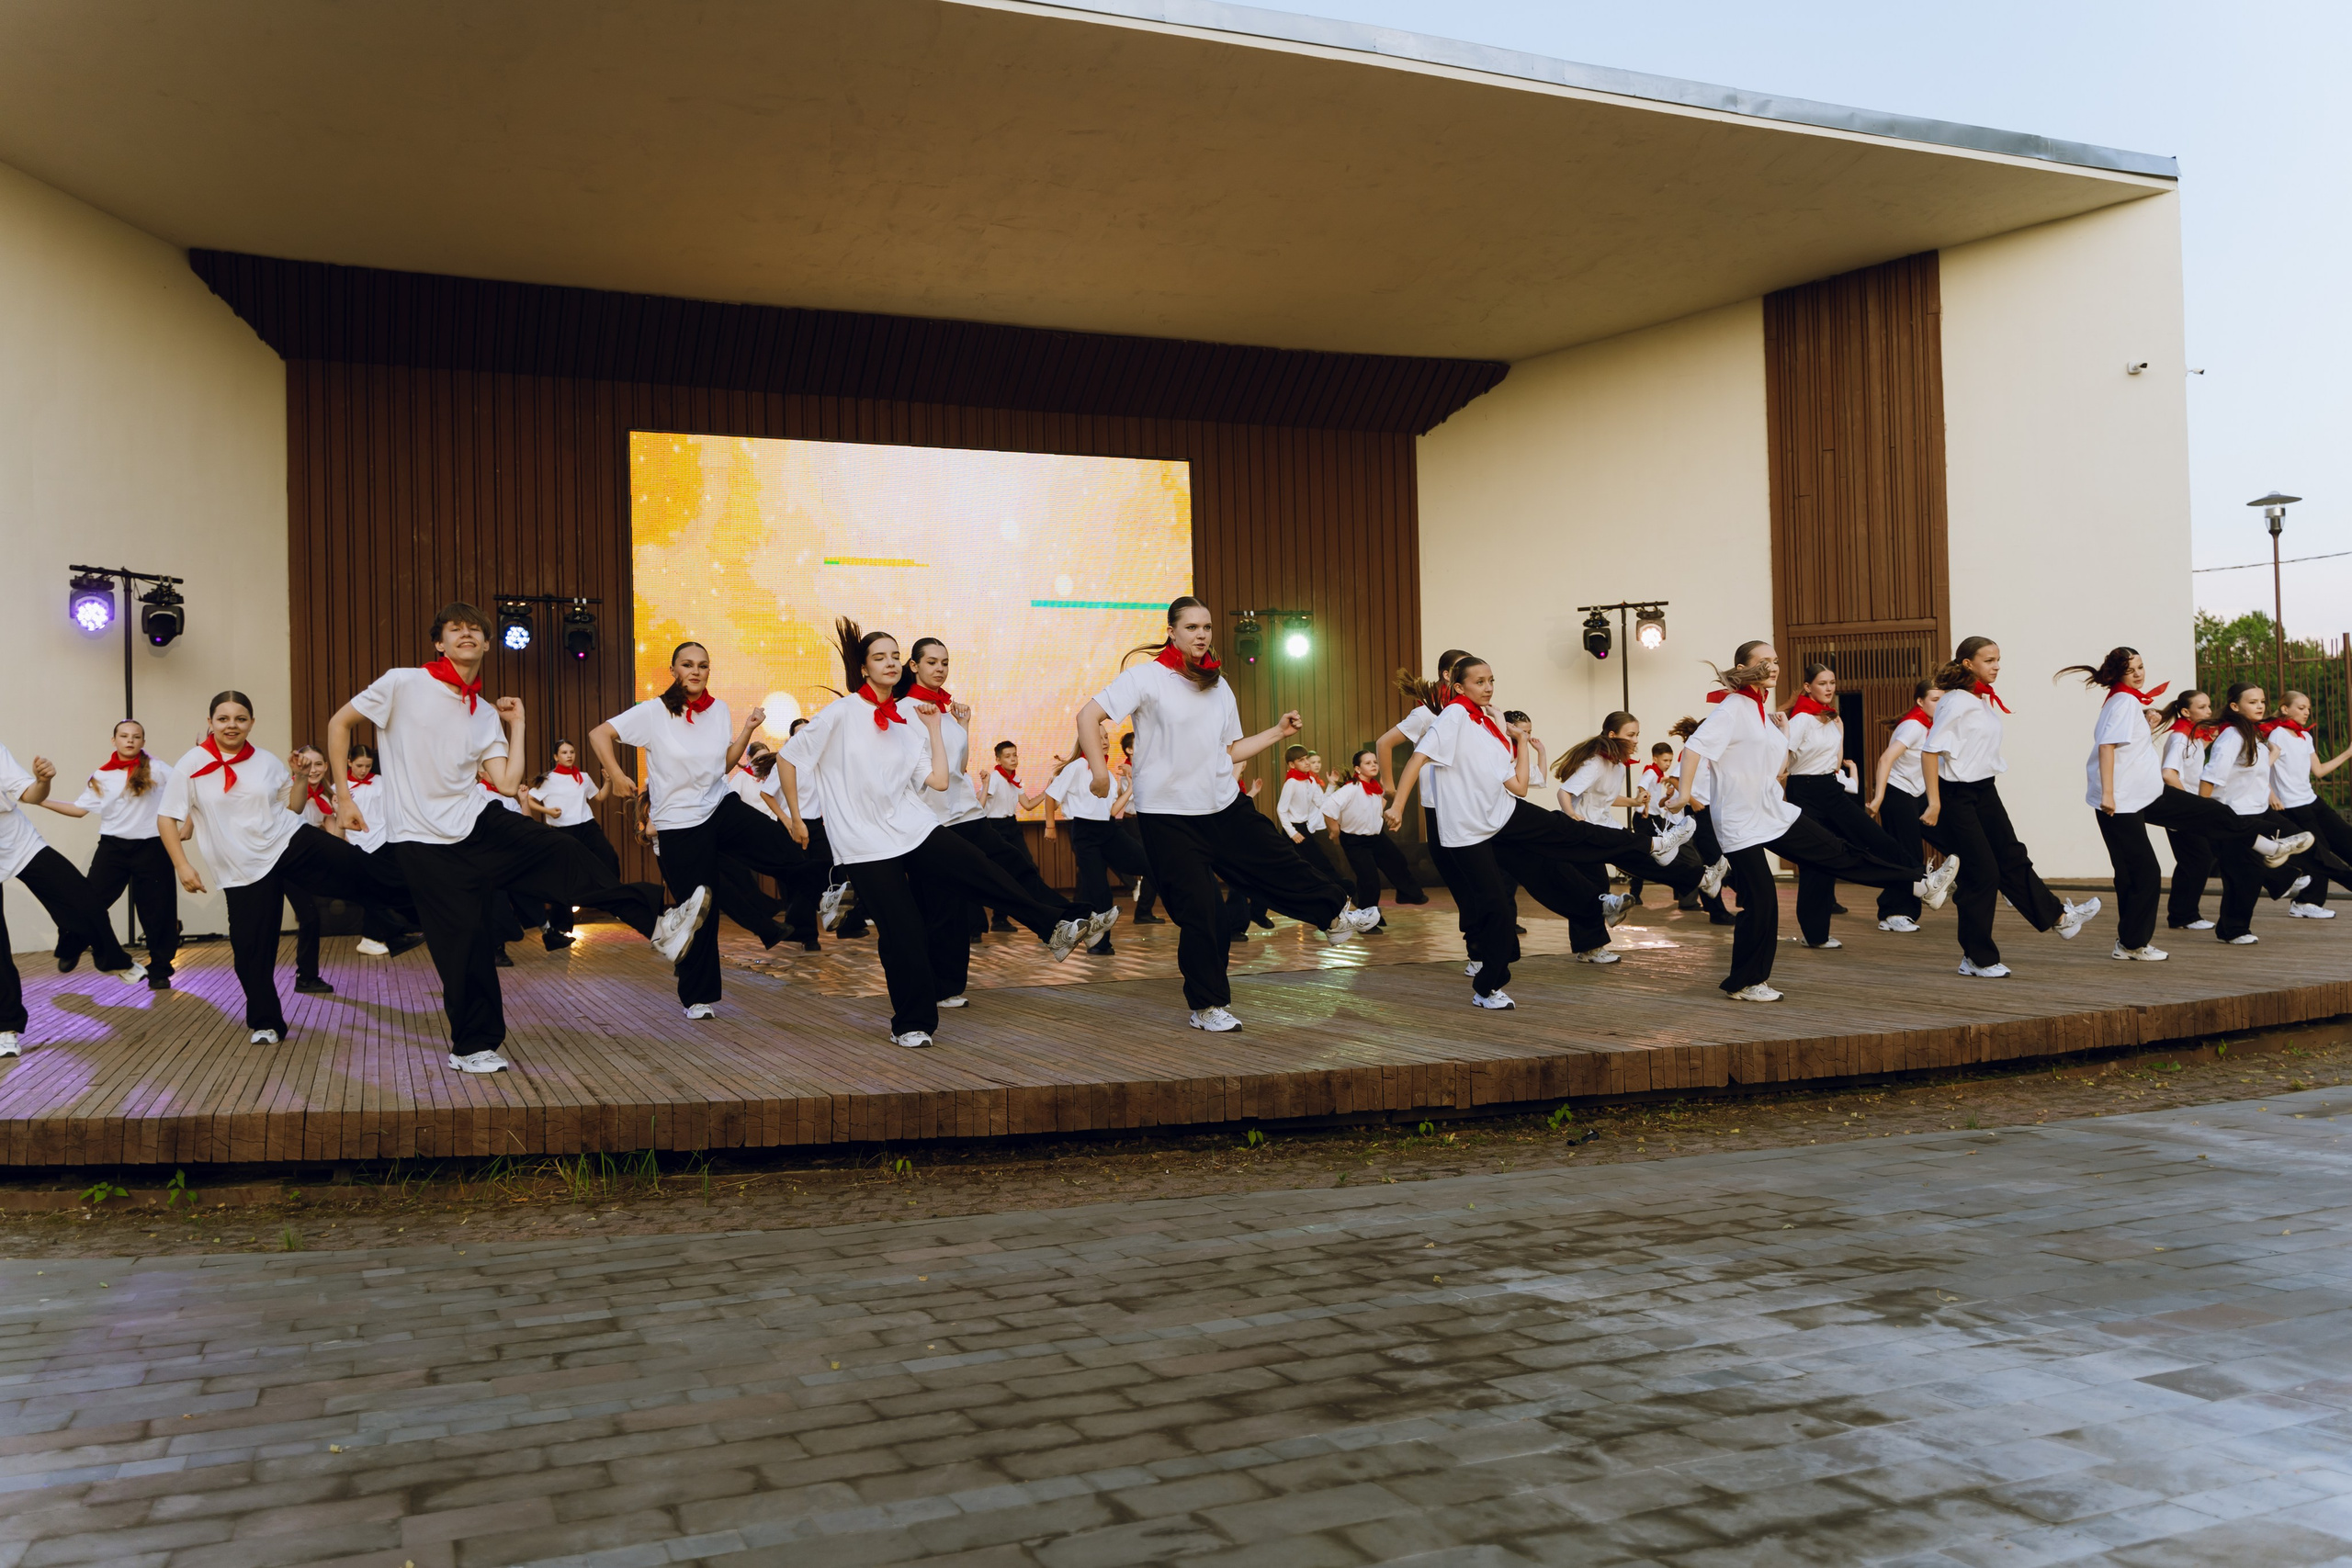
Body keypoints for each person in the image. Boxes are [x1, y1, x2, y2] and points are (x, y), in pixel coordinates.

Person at [329, 602, 706, 1074]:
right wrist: (345, 799)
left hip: (477, 820)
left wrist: (519, 723)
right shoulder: (403, 682)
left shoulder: (483, 713)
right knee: (463, 944)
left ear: (487, 644)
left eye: (475, 629)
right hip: (421, 842)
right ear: (439, 642)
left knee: (561, 850)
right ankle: (472, 1047)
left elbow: (507, 784)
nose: (466, 634)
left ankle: (658, 924)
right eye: (455, 628)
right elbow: (339, 724)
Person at [782, 621, 1106, 1047]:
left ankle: (1052, 928)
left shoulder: (903, 722)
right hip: (863, 843)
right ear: (863, 669)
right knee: (904, 932)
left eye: (895, 656)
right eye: (881, 657)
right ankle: (911, 1023)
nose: (891, 663)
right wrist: (795, 818)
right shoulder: (842, 714)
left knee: (978, 867)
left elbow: (937, 780)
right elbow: (789, 759)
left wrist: (935, 730)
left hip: (912, 825)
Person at [1076, 598, 1381, 1032]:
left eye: (1207, 627)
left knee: (1278, 860)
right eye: (1192, 627)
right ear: (1172, 632)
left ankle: (1333, 916)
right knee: (1203, 913)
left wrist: (1278, 732)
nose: (1202, 634)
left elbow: (1230, 750)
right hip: (1169, 817)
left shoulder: (1218, 685)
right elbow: (1088, 715)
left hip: (1222, 804)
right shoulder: (1146, 678)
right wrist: (1101, 773)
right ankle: (1207, 1006)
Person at [1668, 642, 1939, 1002]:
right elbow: (1695, 747)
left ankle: (1917, 883)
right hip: (1739, 821)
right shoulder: (1733, 706)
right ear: (1742, 667)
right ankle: (1746, 982)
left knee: (1836, 851)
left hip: (1772, 811)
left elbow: (1775, 766)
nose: (1774, 667)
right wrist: (1685, 793)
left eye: (1776, 661)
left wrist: (1780, 732)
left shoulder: (1760, 709)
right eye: (1764, 662)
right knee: (1762, 902)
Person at [159, 692, 414, 1044]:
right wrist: (182, 866)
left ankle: (423, 909)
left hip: (287, 840)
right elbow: (166, 818)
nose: (232, 725)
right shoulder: (190, 764)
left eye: (240, 718)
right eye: (223, 718)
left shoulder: (265, 761)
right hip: (242, 868)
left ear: (251, 722)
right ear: (210, 722)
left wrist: (298, 777)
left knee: (357, 865)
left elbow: (293, 809)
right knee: (251, 950)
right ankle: (266, 1022)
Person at [591, 641, 810, 1019]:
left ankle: (834, 886)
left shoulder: (719, 710)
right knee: (700, 913)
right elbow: (599, 735)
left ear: (709, 671)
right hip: (678, 824)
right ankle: (698, 997)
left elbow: (721, 765)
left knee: (784, 846)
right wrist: (617, 773)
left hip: (718, 806)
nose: (696, 671)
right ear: (674, 670)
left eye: (703, 665)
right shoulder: (654, 712)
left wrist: (745, 732)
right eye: (688, 665)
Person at [2062, 649, 2291, 960]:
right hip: (2122, 802)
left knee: (2212, 812)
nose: (2139, 673)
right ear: (2118, 674)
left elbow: (2127, 737)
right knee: (2141, 874)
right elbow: (2106, 746)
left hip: (2149, 792)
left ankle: (2265, 844)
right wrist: (2108, 794)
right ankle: (2131, 945)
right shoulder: (2123, 702)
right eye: (2132, 670)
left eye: (2141, 666)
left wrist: (2147, 718)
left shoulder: (2129, 701)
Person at [899, 637, 1086, 970]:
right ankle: (945, 985)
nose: (940, 669)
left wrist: (964, 726)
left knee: (1015, 865)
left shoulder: (946, 710)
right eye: (931, 662)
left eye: (944, 662)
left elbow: (958, 768)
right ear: (913, 666)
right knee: (949, 905)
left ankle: (1074, 920)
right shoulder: (903, 713)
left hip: (967, 813)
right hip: (933, 823)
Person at [1921, 637, 2098, 977]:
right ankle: (1977, 958)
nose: (1997, 666)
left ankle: (2059, 918)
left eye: (1998, 659)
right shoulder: (1955, 702)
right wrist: (1934, 802)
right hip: (1957, 795)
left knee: (2012, 856)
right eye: (1989, 660)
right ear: (1968, 664)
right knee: (1983, 873)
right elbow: (1930, 751)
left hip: (1985, 789)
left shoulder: (1981, 699)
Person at [0, 743, 149, 1056]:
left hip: (18, 843)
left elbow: (29, 794)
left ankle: (113, 961)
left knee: (83, 900)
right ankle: (6, 1027)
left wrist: (43, 781)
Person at [1781, 663, 1919, 950]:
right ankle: (1815, 934)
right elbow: (1783, 760)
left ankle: (1919, 880)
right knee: (1817, 864)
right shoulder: (1800, 720)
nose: (1829, 688)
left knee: (1873, 836)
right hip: (1804, 790)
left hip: (1829, 788)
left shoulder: (1833, 719)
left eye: (1832, 682)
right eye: (1822, 683)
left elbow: (1835, 761)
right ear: (1808, 687)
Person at [39, 720, 180, 990]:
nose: (130, 740)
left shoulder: (160, 770)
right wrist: (40, 800)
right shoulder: (101, 775)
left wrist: (187, 825)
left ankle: (160, 969)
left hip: (152, 847)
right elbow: (80, 810)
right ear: (113, 740)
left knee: (158, 911)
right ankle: (72, 945)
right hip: (113, 849)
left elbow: (188, 790)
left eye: (136, 737)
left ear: (143, 742)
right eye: (124, 736)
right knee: (87, 900)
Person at [2201, 682, 2348, 942]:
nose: (2259, 706)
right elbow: (2211, 778)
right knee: (2243, 876)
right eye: (2252, 702)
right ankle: (2233, 929)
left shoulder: (2253, 734)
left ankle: (2285, 878)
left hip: (2260, 812)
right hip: (2237, 815)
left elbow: (2254, 771)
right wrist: (2202, 816)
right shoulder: (2231, 736)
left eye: (2261, 701)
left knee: (2309, 846)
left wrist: (2270, 763)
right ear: (2235, 707)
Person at [1046, 717, 1157, 954]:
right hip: (1085, 834)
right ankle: (1100, 944)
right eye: (1099, 737)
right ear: (1086, 741)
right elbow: (1051, 795)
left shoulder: (1106, 772)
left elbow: (1112, 811)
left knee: (1149, 863)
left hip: (1110, 830)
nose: (1105, 741)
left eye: (1107, 737)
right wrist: (1049, 826)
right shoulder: (1076, 767)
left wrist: (1129, 787)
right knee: (1100, 891)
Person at [1553, 712, 1697, 886]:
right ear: (1612, 735)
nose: (1636, 740)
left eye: (1637, 735)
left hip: (1604, 824)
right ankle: (1662, 844)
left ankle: (1700, 878)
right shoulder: (1595, 763)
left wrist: (1634, 802)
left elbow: (1608, 798)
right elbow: (1564, 792)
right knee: (1631, 847)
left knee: (1613, 876)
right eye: (1630, 735)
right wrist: (1570, 814)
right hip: (1585, 831)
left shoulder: (1619, 766)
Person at [1864, 684, 1945, 933]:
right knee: (1906, 855)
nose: (1939, 705)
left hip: (1919, 794)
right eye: (1934, 699)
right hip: (1898, 794)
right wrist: (1878, 798)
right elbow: (1885, 759)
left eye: (1943, 700)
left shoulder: (1934, 727)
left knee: (1954, 838)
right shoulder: (1913, 726)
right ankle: (1893, 913)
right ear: (1920, 701)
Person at [2265, 689, 2352, 918]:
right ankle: (2304, 903)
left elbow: (2319, 771)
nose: (2306, 712)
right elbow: (2262, 769)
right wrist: (2270, 794)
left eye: (2308, 709)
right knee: (2319, 851)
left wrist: (2347, 754)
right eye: (2301, 708)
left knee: (2345, 837)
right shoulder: (2277, 734)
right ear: (2285, 709)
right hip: (2291, 806)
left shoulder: (2305, 736)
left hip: (2312, 800)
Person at [1320, 747, 1424, 924]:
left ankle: (1407, 893)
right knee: (1370, 880)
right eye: (1368, 763)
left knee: (1397, 860)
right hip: (1355, 841)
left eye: (1375, 762)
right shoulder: (1350, 788)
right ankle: (1367, 920)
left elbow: (1375, 806)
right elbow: (1328, 808)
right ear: (1358, 769)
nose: (1374, 765)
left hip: (1376, 838)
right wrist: (1334, 830)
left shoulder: (1375, 787)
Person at [337, 744, 422, 957]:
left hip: (384, 842)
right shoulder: (340, 786)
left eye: (368, 765)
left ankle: (378, 935)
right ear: (349, 762)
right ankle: (376, 936)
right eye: (359, 765)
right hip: (358, 847)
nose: (364, 770)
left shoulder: (381, 782)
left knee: (390, 887)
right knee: (372, 892)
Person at [2156, 690, 2222, 932]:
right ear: (2186, 712)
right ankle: (2184, 916)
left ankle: (2183, 915)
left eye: (2209, 706)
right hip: (2181, 809)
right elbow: (2168, 773)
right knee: (2197, 858)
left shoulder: (2192, 736)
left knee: (2193, 859)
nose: (2208, 711)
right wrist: (2188, 803)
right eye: (2202, 707)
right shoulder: (2179, 737)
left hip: (2188, 808)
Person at [980, 739, 1052, 931]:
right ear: (998, 759)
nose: (1013, 759)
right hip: (994, 827)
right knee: (1000, 873)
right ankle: (998, 919)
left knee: (1028, 866)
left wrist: (1048, 791)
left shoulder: (1015, 780)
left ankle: (1042, 912)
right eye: (1008, 756)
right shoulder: (994, 778)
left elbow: (1027, 805)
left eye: (1015, 755)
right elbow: (981, 803)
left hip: (1012, 825)